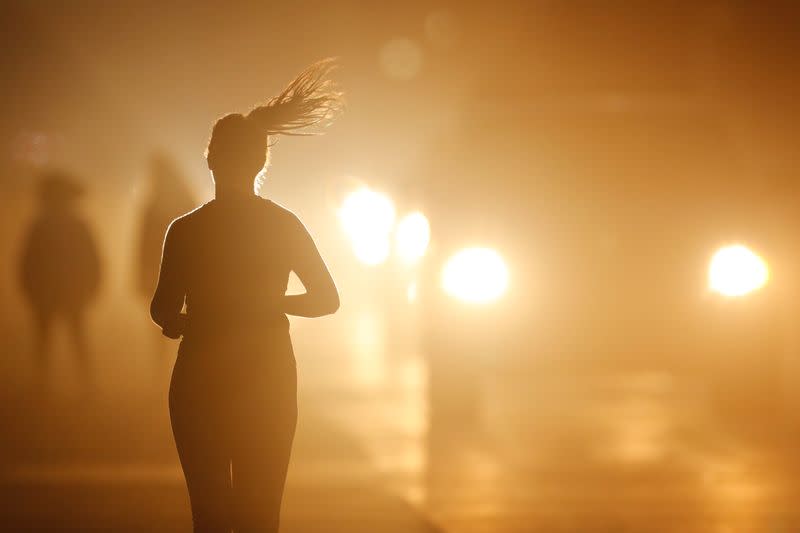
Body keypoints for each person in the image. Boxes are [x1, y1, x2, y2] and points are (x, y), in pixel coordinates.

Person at [150, 59, 342, 532]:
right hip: (269, 377)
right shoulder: (282, 224)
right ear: (261, 161)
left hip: (199, 379)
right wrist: (269, 304)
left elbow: (161, 308)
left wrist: (180, 321)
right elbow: (326, 299)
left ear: (210, 159)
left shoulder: (187, 230)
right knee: (261, 513)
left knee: (209, 515)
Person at [18, 169, 101, 387]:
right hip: (58, 293)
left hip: (62, 293)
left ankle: (70, 385)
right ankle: (76, 385)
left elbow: (92, 262)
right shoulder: (69, 226)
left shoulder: (46, 226)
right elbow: (28, 264)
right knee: (63, 340)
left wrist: (91, 287)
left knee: (61, 340)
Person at [135, 153, 196, 357]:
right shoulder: (185, 201)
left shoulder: (156, 206)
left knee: (167, 318)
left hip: (162, 270)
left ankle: (167, 362)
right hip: (181, 270)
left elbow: (143, 245)